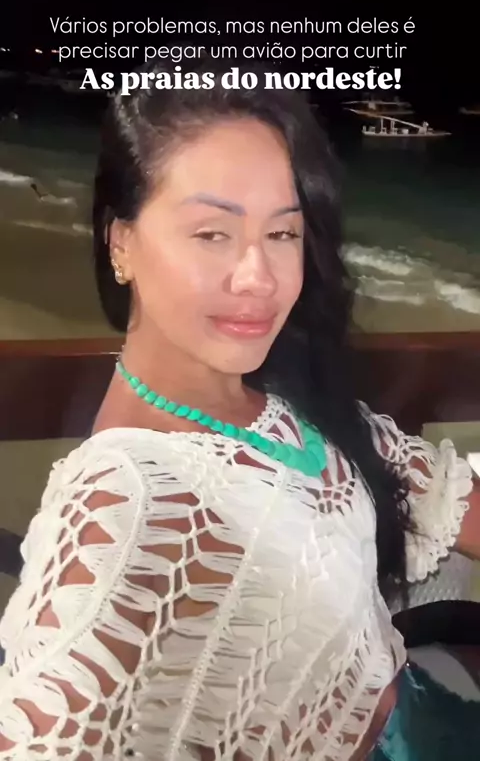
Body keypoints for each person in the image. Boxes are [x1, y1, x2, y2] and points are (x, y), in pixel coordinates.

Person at [0, 55, 479, 760]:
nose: (259, 277)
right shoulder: (127, 502)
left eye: (282, 234)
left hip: (419, 705)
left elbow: (430, 487)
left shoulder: (275, 398)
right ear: (120, 241)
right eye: (211, 233)